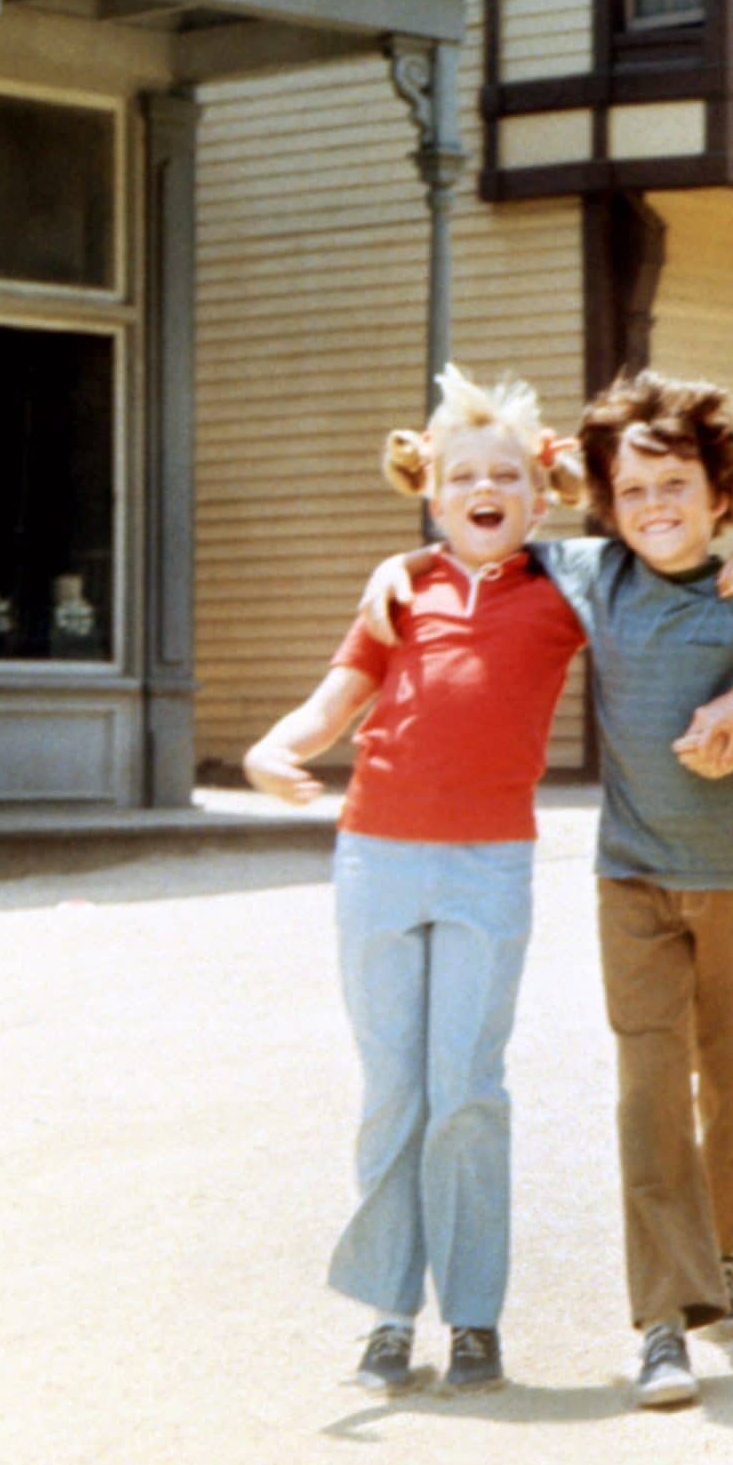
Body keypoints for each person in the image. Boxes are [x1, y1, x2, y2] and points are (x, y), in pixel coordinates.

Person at [362, 370, 733, 1409]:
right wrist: (397, 564)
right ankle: (664, 1322)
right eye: (631, 493)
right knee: (646, 1092)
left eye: (675, 486)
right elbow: (479, 542)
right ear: (605, 504)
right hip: (630, 878)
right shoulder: (591, 574)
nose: (654, 508)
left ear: (719, 493)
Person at [246, 367, 588, 1397]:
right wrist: (276, 744)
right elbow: (334, 701)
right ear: (432, 495)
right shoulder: (401, 589)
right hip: (377, 857)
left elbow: (655, 560)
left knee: (467, 1092)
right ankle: (391, 1312)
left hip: (491, 862)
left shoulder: (565, 588)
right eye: (461, 477)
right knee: (393, 1088)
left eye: (506, 475)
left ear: (537, 491)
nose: (484, 490)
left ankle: (474, 1316)